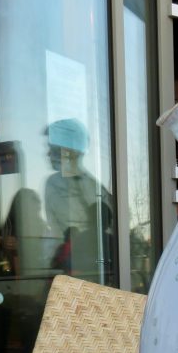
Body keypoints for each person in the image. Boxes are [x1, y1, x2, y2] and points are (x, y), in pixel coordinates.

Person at [44, 119, 115, 284]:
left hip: (94, 271)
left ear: (70, 151)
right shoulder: (54, 184)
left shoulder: (95, 188)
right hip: (69, 269)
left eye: (53, 149)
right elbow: (56, 231)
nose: (48, 154)